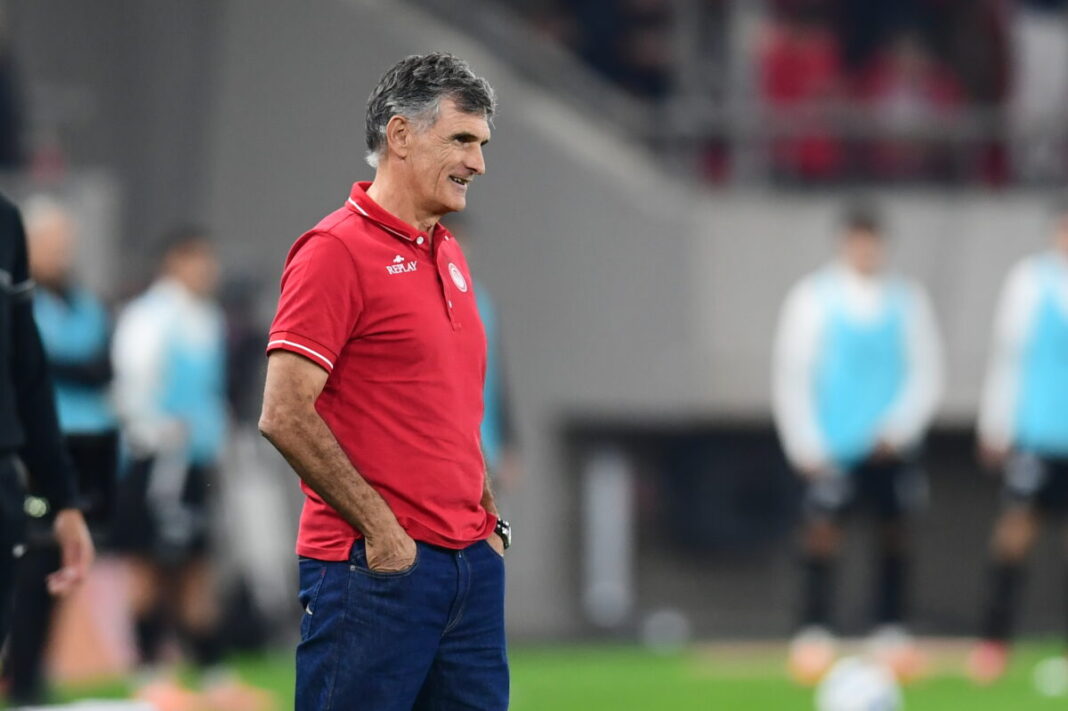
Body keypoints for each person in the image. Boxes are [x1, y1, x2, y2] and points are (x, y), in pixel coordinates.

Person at [259, 52, 510, 711]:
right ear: (400, 135)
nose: (478, 163)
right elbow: (284, 412)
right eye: (462, 139)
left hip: (468, 568)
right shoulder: (334, 250)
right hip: (376, 571)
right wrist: (383, 531)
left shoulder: (448, 251)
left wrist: (487, 522)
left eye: (481, 144)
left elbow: (452, 407)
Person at [773, 205, 943, 684]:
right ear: (844, 243)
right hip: (834, 444)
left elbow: (926, 370)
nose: (866, 249)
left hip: (889, 447)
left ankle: (890, 629)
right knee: (822, 532)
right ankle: (813, 630)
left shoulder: (907, 299)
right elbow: (793, 373)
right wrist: (804, 442)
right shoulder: (813, 297)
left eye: (873, 240)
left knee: (895, 532)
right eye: (857, 240)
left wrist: (899, 428)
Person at [111, 229, 266, 710]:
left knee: (197, 567)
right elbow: (132, 388)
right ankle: (148, 676)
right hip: (156, 465)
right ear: (174, 261)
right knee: (148, 568)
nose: (208, 270)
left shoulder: (208, 319)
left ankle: (214, 677)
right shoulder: (148, 317)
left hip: (197, 465)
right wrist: (161, 434)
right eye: (199, 259)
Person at [2, 196, 118, 704]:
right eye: (53, 243)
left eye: (66, 244)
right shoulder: (39, 300)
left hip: (76, 447)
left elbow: (89, 366)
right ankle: (23, 673)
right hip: (31, 449)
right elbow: (45, 365)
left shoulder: (83, 302)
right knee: (30, 560)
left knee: (53, 558)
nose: (62, 253)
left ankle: (33, 672)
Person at [968, 204, 1068, 683]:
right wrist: (996, 422)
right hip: (1037, 433)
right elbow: (1008, 353)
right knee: (1014, 535)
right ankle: (994, 639)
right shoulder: (1030, 282)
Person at [0, 192, 94, 647]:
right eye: (53, 243)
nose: (62, 253)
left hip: (13, 469)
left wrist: (64, 498)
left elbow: (30, 373)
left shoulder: (5, 221)